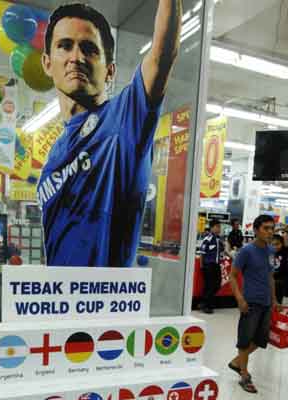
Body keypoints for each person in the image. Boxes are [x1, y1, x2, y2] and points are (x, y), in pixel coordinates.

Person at [38, 2, 182, 266]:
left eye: (89, 49)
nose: (76, 57)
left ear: (110, 71)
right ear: (47, 63)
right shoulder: (54, 155)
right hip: (58, 291)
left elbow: (161, 56)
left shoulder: (123, 119)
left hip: (104, 292)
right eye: (65, 45)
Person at [228, 214, 281, 394]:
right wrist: (240, 299)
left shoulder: (271, 251)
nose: (270, 232)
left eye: (272, 228)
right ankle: (244, 375)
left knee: (260, 340)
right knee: (245, 340)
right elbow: (232, 276)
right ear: (256, 230)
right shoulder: (246, 251)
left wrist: (274, 300)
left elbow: (270, 276)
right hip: (250, 302)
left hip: (266, 303)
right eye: (266, 228)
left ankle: (237, 362)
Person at [199, 220, 225, 314]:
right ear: (212, 227)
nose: (219, 229)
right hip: (208, 265)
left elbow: (223, 251)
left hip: (217, 265)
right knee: (209, 286)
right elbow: (202, 253)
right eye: (217, 227)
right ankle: (206, 305)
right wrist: (202, 266)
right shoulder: (207, 239)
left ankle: (204, 302)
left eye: (219, 227)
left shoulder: (219, 239)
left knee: (217, 284)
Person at [271, 234, 287, 304]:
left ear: (282, 244)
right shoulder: (268, 252)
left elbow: (285, 237)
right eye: (273, 244)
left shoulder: (284, 252)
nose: (275, 247)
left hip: (280, 280)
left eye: (277, 244)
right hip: (269, 280)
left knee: (279, 300)